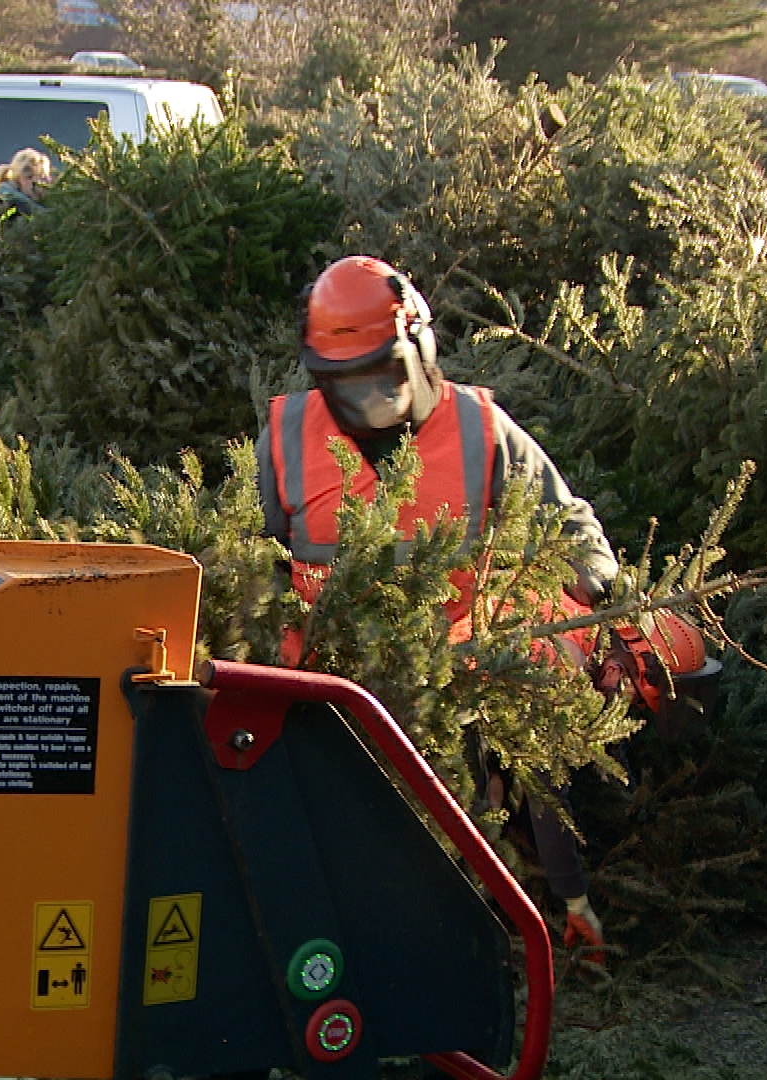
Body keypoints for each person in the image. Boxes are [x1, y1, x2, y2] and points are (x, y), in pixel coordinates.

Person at [257, 255, 618, 960]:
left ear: (419, 351)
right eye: (346, 384)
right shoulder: (286, 437)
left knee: (496, 773)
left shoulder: (484, 431)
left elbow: (571, 524)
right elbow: (245, 553)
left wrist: (591, 583)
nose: (368, 399)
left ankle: (507, 914)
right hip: (331, 687)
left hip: (454, 679)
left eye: (381, 377)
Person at [0, 148, 51, 217]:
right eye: (29, 177)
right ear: (17, 181)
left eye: (42, 177)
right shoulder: (7, 207)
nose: (36, 181)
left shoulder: (57, 204)